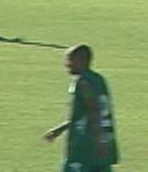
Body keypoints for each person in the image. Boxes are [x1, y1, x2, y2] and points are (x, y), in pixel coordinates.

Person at [44, 44, 119, 172]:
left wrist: (97, 141)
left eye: (70, 60)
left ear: (81, 60)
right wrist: (60, 129)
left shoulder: (82, 82)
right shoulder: (98, 79)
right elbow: (87, 112)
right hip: (105, 142)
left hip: (86, 147)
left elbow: (94, 111)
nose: (66, 64)